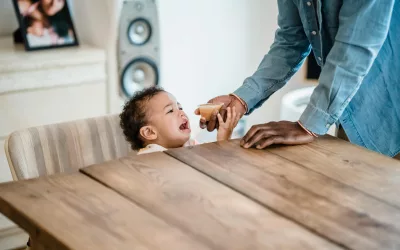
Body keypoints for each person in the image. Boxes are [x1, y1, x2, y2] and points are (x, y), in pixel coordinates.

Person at [197, 0, 400, 159]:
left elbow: (355, 47)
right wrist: (241, 99)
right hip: (353, 118)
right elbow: (291, 39)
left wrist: (308, 124)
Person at [120, 87, 240, 155]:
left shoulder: (191, 144)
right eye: (170, 111)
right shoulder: (151, 156)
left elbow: (217, 167)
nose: (181, 112)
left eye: (180, 107)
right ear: (150, 132)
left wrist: (224, 138)